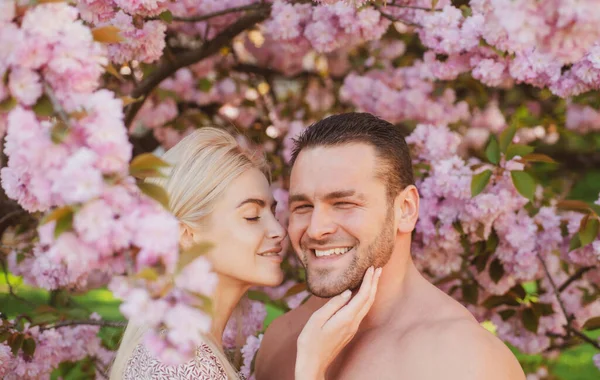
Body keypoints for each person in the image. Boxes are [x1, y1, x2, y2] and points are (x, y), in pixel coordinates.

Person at [255, 113, 526, 380]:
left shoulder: (464, 359)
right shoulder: (283, 338)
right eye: (303, 207)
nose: (316, 229)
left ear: (406, 209)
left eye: (344, 204)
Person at [109, 127, 381, 380]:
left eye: (272, 212)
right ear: (187, 235)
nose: (278, 230)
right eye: (252, 216)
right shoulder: (186, 366)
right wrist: (311, 364)